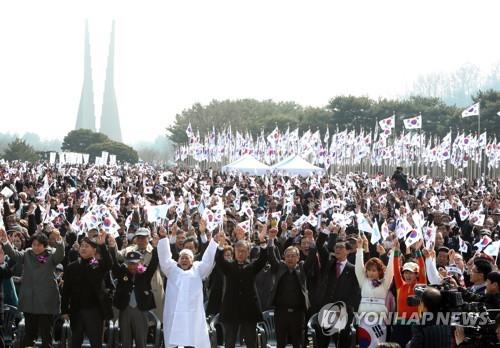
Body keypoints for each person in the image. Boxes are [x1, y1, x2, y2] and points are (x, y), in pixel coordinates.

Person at [0, 227, 65, 348]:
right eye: (34, 244)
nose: (36, 247)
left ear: (45, 246)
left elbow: (60, 255)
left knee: (46, 335)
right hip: (30, 301)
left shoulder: (50, 256)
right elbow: (14, 255)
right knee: (29, 334)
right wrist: (5, 241)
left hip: (46, 303)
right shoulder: (27, 254)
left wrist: (59, 241)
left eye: (39, 245)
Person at [157, 226, 221, 348]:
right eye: (182, 257)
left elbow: (207, 261)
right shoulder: (171, 269)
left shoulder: (198, 269)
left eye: (188, 258)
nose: (185, 260)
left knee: (192, 341)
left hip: (192, 316)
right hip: (174, 315)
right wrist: (164, 237)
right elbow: (164, 258)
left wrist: (214, 242)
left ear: (192, 260)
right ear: (178, 259)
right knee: (174, 342)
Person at [215, 225, 269, 348]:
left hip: (249, 310)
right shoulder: (229, 267)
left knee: (251, 342)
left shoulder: (252, 267)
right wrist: (221, 245)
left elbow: (263, 259)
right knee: (229, 342)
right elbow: (219, 260)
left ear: (248, 252)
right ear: (234, 252)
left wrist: (262, 241)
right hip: (231, 310)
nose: (240, 253)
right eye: (238, 251)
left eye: (243, 251)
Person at [61, 230, 112, 348]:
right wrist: (64, 310)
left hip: (94, 311)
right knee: (75, 342)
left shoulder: (97, 265)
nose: (83, 249)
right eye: (82, 246)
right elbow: (66, 290)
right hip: (76, 311)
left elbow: (108, 264)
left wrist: (102, 245)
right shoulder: (72, 267)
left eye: (87, 246)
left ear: (94, 250)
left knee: (96, 343)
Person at [314, 229, 361, 348]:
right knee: (322, 342)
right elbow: (319, 245)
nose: (337, 249)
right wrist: (330, 231)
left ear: (348, 251)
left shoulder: (353, 269)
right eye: (336, 247)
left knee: (342, 342)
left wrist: (346, 307)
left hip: (343, 312)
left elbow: (355, 292)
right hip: (327, 310)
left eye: (341, 247)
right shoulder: (328, 263)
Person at [112, 239, 159, 348]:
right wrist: (111, 247)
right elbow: (113, 265)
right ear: (126, 263)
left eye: (135, 263)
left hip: (140, 309)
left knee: (141, 341)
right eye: (130, 263)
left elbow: (154, 263)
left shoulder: (145, 274)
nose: (133, 266)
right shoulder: (122, 273)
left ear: (140, 263)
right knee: (125, 341)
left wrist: (156, 248)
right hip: (125, 309)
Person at [268, 238, 313, 348]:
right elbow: (272, 258)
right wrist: (270, 241)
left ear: (298, 257)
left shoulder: (302, 268)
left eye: (293, 256)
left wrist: (312, 241)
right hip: (281, 313)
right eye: (287, 256)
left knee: (298, 343)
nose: (290, 258)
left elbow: (311, 258)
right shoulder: (280, 267)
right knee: (281, 343)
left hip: (298, 313)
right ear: (284, 257)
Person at [354, 235, 395, 348]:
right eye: (368, 270)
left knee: (378, 345)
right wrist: (359, 248)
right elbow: (358, 267)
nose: (371, 273)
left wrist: (393, 253)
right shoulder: (363, 281)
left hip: (379, 321)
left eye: (374, 270)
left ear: (379, 271)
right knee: (364, 344)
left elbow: (391, 271)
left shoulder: (384, 284)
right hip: (364, 320)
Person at [392, 239, 426, 348]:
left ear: (416, 274)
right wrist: (396, 251)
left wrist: (417, 251)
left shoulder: (421, 285)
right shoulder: (400, 286)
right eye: (406, 272)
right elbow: (396, 270)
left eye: (410, 272)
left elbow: (423, 270)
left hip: (415, 325)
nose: (407, 275)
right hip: (399, 325)